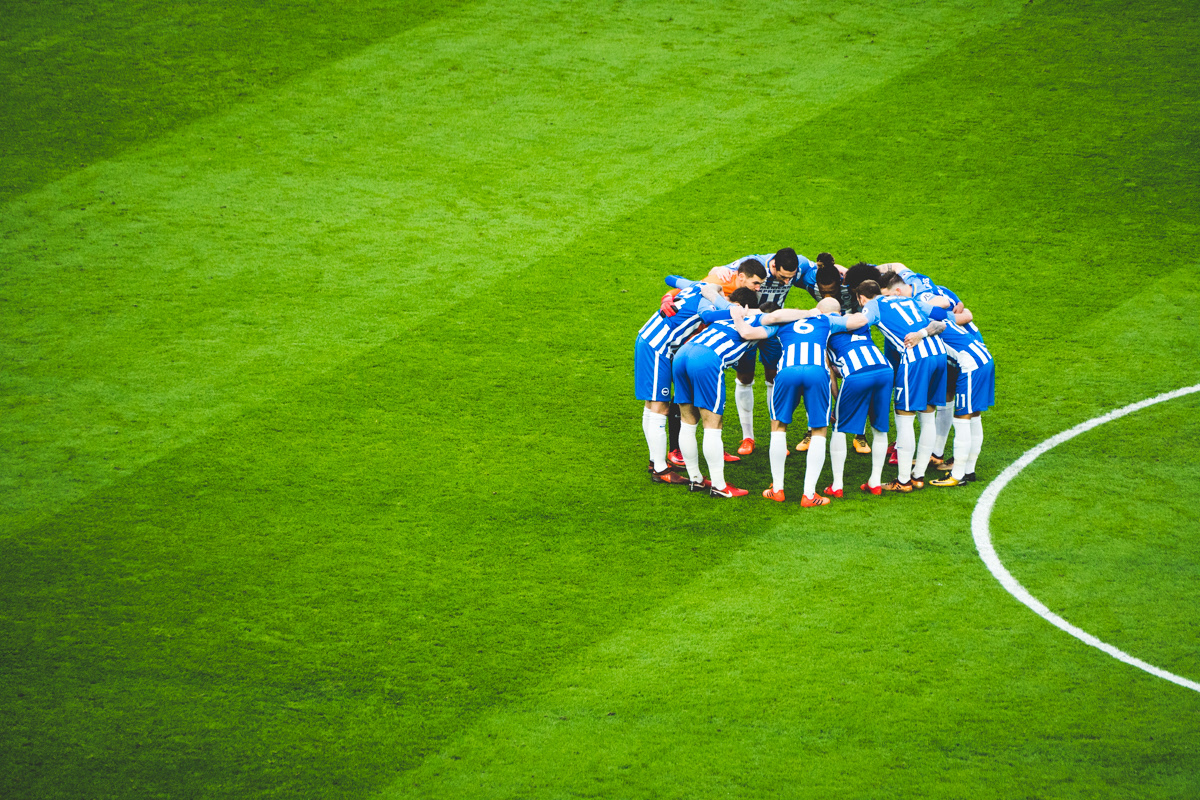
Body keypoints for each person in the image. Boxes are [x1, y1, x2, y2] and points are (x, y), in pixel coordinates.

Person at [734, 298, 840, 507]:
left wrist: (738, 316)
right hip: (817, 372)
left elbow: (747, 333)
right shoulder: (828, 321)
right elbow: (860, 320)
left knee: (778, 427)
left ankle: (777, 489)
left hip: (787, 372)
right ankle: (809, 495)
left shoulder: (781, 324)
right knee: (819, 430)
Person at [672, 288, 774, 498]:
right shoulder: (764, 323)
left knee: (688, 421)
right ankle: (719, 486)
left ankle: (696, 480)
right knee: (712, 425)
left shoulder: (730, 312)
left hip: (684, 352)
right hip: (706, 359)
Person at [846, 280, 947, 492]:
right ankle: (918, 475)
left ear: (861, 298)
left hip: (916, 359)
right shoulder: (907, 300)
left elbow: (861, 321)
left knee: (904, 417)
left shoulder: (873, 305)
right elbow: (942, 318)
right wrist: (922, 332)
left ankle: (903, 481)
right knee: (928, 416)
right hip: (939, 354)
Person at [636, 279, 729, 484]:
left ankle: (655, 461)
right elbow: (709, 315)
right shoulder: (709, 302)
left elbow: (671, 279)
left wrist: (667, 296)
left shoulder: (697, 285)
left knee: (651, 406)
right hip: (658, 346)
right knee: (660, 408)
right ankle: (660, 470)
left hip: (648, 337)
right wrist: (739, 313)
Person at [823, 310, 895, 495]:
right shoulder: (859, 323)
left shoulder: (823, 329)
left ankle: (837, 485)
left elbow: (830, 373)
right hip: (885, 370)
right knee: (879, 429)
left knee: (839, 427)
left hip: (856, 373)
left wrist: (837, 398)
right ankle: (875, 482)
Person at [925, 301, 994, 487]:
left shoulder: (921, 322)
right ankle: (969, 470)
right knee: (974, 417)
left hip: (971, 365)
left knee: (962, 420)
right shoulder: (937, 314)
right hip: (983, 357)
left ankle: (957, 475)